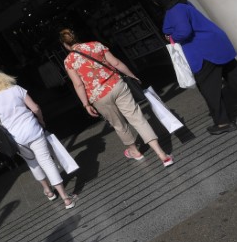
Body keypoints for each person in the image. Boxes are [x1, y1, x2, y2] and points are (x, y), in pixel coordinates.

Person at [149, 0, 237, 134]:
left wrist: (171, 37)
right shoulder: (183, 3)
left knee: (209, 88)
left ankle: (223, 123)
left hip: (203, 52)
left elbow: (184, 31)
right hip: (217, 43)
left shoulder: (174, 10)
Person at [59, 28, 174, 167]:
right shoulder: (96, 45)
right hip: (117, 85)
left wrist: (86, 104)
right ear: (76, 37)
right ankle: (162, 154)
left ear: (65, 45)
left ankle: (135, 152)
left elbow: (78, 85)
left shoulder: (69, 61)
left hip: (98, 97)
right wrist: (132, 75)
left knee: (119, 125)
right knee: (137, 118)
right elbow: (116, 63)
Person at [0, 70, 77, 209]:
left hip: (15, 138)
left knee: (32, 163)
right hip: (33, 130)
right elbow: (35, 108)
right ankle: (65, 198)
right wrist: (41, 120)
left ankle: (48, 191)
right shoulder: (16, 89)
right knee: (46, 161)